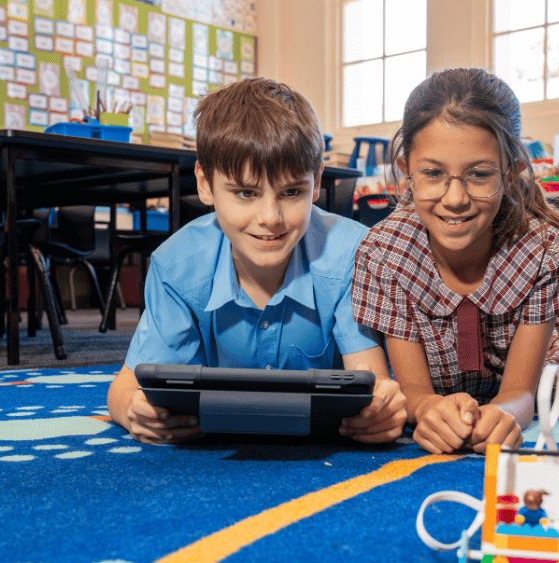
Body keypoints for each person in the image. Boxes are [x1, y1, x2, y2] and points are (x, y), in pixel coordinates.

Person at [352, 68, 559, 456]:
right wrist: (429, 409)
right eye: (433, 173)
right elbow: (415, 390)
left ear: (512, 172)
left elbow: (521, 390)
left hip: (532, 372)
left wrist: (505, 414)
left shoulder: (542, 250)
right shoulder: (385, 252)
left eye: (480, 174)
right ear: (406, 173)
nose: (455, 198)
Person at [108, 77, 406, 445]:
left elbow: (372, 385)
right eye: (246, 193)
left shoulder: (353, 255)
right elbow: (124, 387)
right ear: (205, 184)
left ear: (316, 185)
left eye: (292, 192)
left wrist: (379, 414)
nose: (270, 217)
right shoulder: (176, 265)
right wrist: (134, 411)